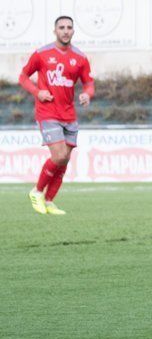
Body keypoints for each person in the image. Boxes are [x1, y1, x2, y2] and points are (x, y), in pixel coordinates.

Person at [19, 16, 94, 215]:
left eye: (69, 27)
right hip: (47, 112)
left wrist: (87, 94)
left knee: (65, 160)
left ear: (73, 31)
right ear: (55, 31)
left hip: (69, 114)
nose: (65, 31)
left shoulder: (80, 58)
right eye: (61, 27)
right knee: (59, 155)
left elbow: (88, 82)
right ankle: (36, 191)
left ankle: (49, 200)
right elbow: (23, 76)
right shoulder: (42, 54)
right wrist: (38, 92)